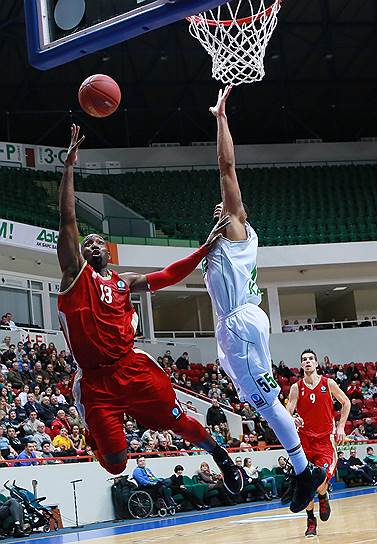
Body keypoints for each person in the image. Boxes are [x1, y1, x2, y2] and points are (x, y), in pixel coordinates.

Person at [55, 124, 241, 495]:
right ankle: (94, 434)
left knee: (178, 420)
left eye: (98, 241)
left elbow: (169, 274)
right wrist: (70, 167)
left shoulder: (125, 282)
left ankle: (221, 456)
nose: (91, 244)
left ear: (108, 251)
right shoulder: (74, 277)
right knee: (117, 463)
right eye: (86, 242)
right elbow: (68, 221)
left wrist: (205, 248)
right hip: (95, 382)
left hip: (131, 367)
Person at [202, 87, 325, 513]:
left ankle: (305, 470)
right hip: (231, 328)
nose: (220, 207)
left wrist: (221, 119)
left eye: (227, 206)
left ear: (240, 213)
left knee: (267, 401)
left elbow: (226, 166)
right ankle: (302, 467)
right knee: (257, 398)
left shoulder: (236, 228)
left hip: (241, 322)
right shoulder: (217, 240)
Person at [286, 349, 351, 537]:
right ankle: (310, 520)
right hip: (304, 441)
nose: (307, 362)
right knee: (306, 483)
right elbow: (287, 411)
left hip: (325, 441)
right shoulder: (296, 388)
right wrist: (292, 420)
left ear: (316, 363)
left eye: (310, 359)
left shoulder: (328, 383)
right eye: (304, 359)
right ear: (301, 365)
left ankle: (323, 495)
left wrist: (340, 427)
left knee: (319, 480)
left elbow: (346, 402)